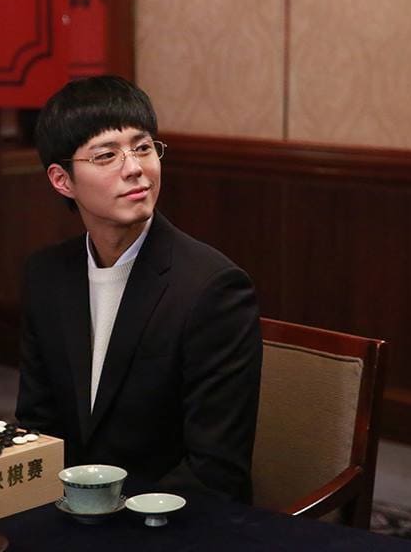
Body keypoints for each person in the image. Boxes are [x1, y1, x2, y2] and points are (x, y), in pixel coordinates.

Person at [15, 75, 262, 503]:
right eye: (107, 155)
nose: (135, 168)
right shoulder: (47, 276)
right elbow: (38, 425)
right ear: (62, 180)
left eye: (144, 147)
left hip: (169, 521)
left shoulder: (212, 289)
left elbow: (216, 468)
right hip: (69, 511)